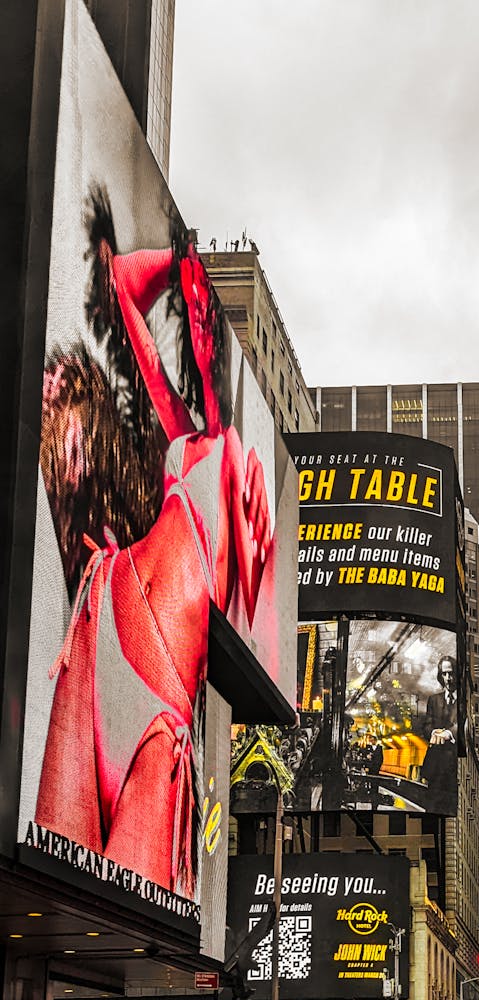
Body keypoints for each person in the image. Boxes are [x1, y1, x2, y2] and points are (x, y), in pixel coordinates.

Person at [36, 190, 271, 897]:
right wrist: (180, 263)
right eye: (191, 312)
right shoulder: (182, 427)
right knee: (55, 884)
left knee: (109, 907)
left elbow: (246, 615)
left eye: (203, 318)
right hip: (101, 619)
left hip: (160, 703)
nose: (196, 324)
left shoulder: (238, 465)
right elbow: (121, 288)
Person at [421, 656, 458, 812]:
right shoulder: (433, 700)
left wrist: (449, 734)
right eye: (444, 674)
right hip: (435, 768)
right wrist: (434, 732)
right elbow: (427, 726)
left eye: (450, 673)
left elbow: (464, 726)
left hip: (454, 770)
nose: (448, 679)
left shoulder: (465, 700)